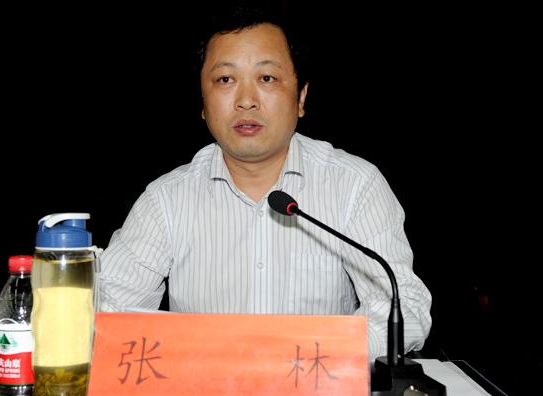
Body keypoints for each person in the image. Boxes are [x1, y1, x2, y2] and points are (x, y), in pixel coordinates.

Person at [99, 6, 432, 361]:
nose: (246, 101)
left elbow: (405, 307)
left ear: (301, 98)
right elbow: (107, 311)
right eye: (225, 80)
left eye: (267, 78)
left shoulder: (353, 185)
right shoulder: (166, 200)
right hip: (206, 391)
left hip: (317, 386)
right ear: (203, 101)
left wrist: (310, 357)